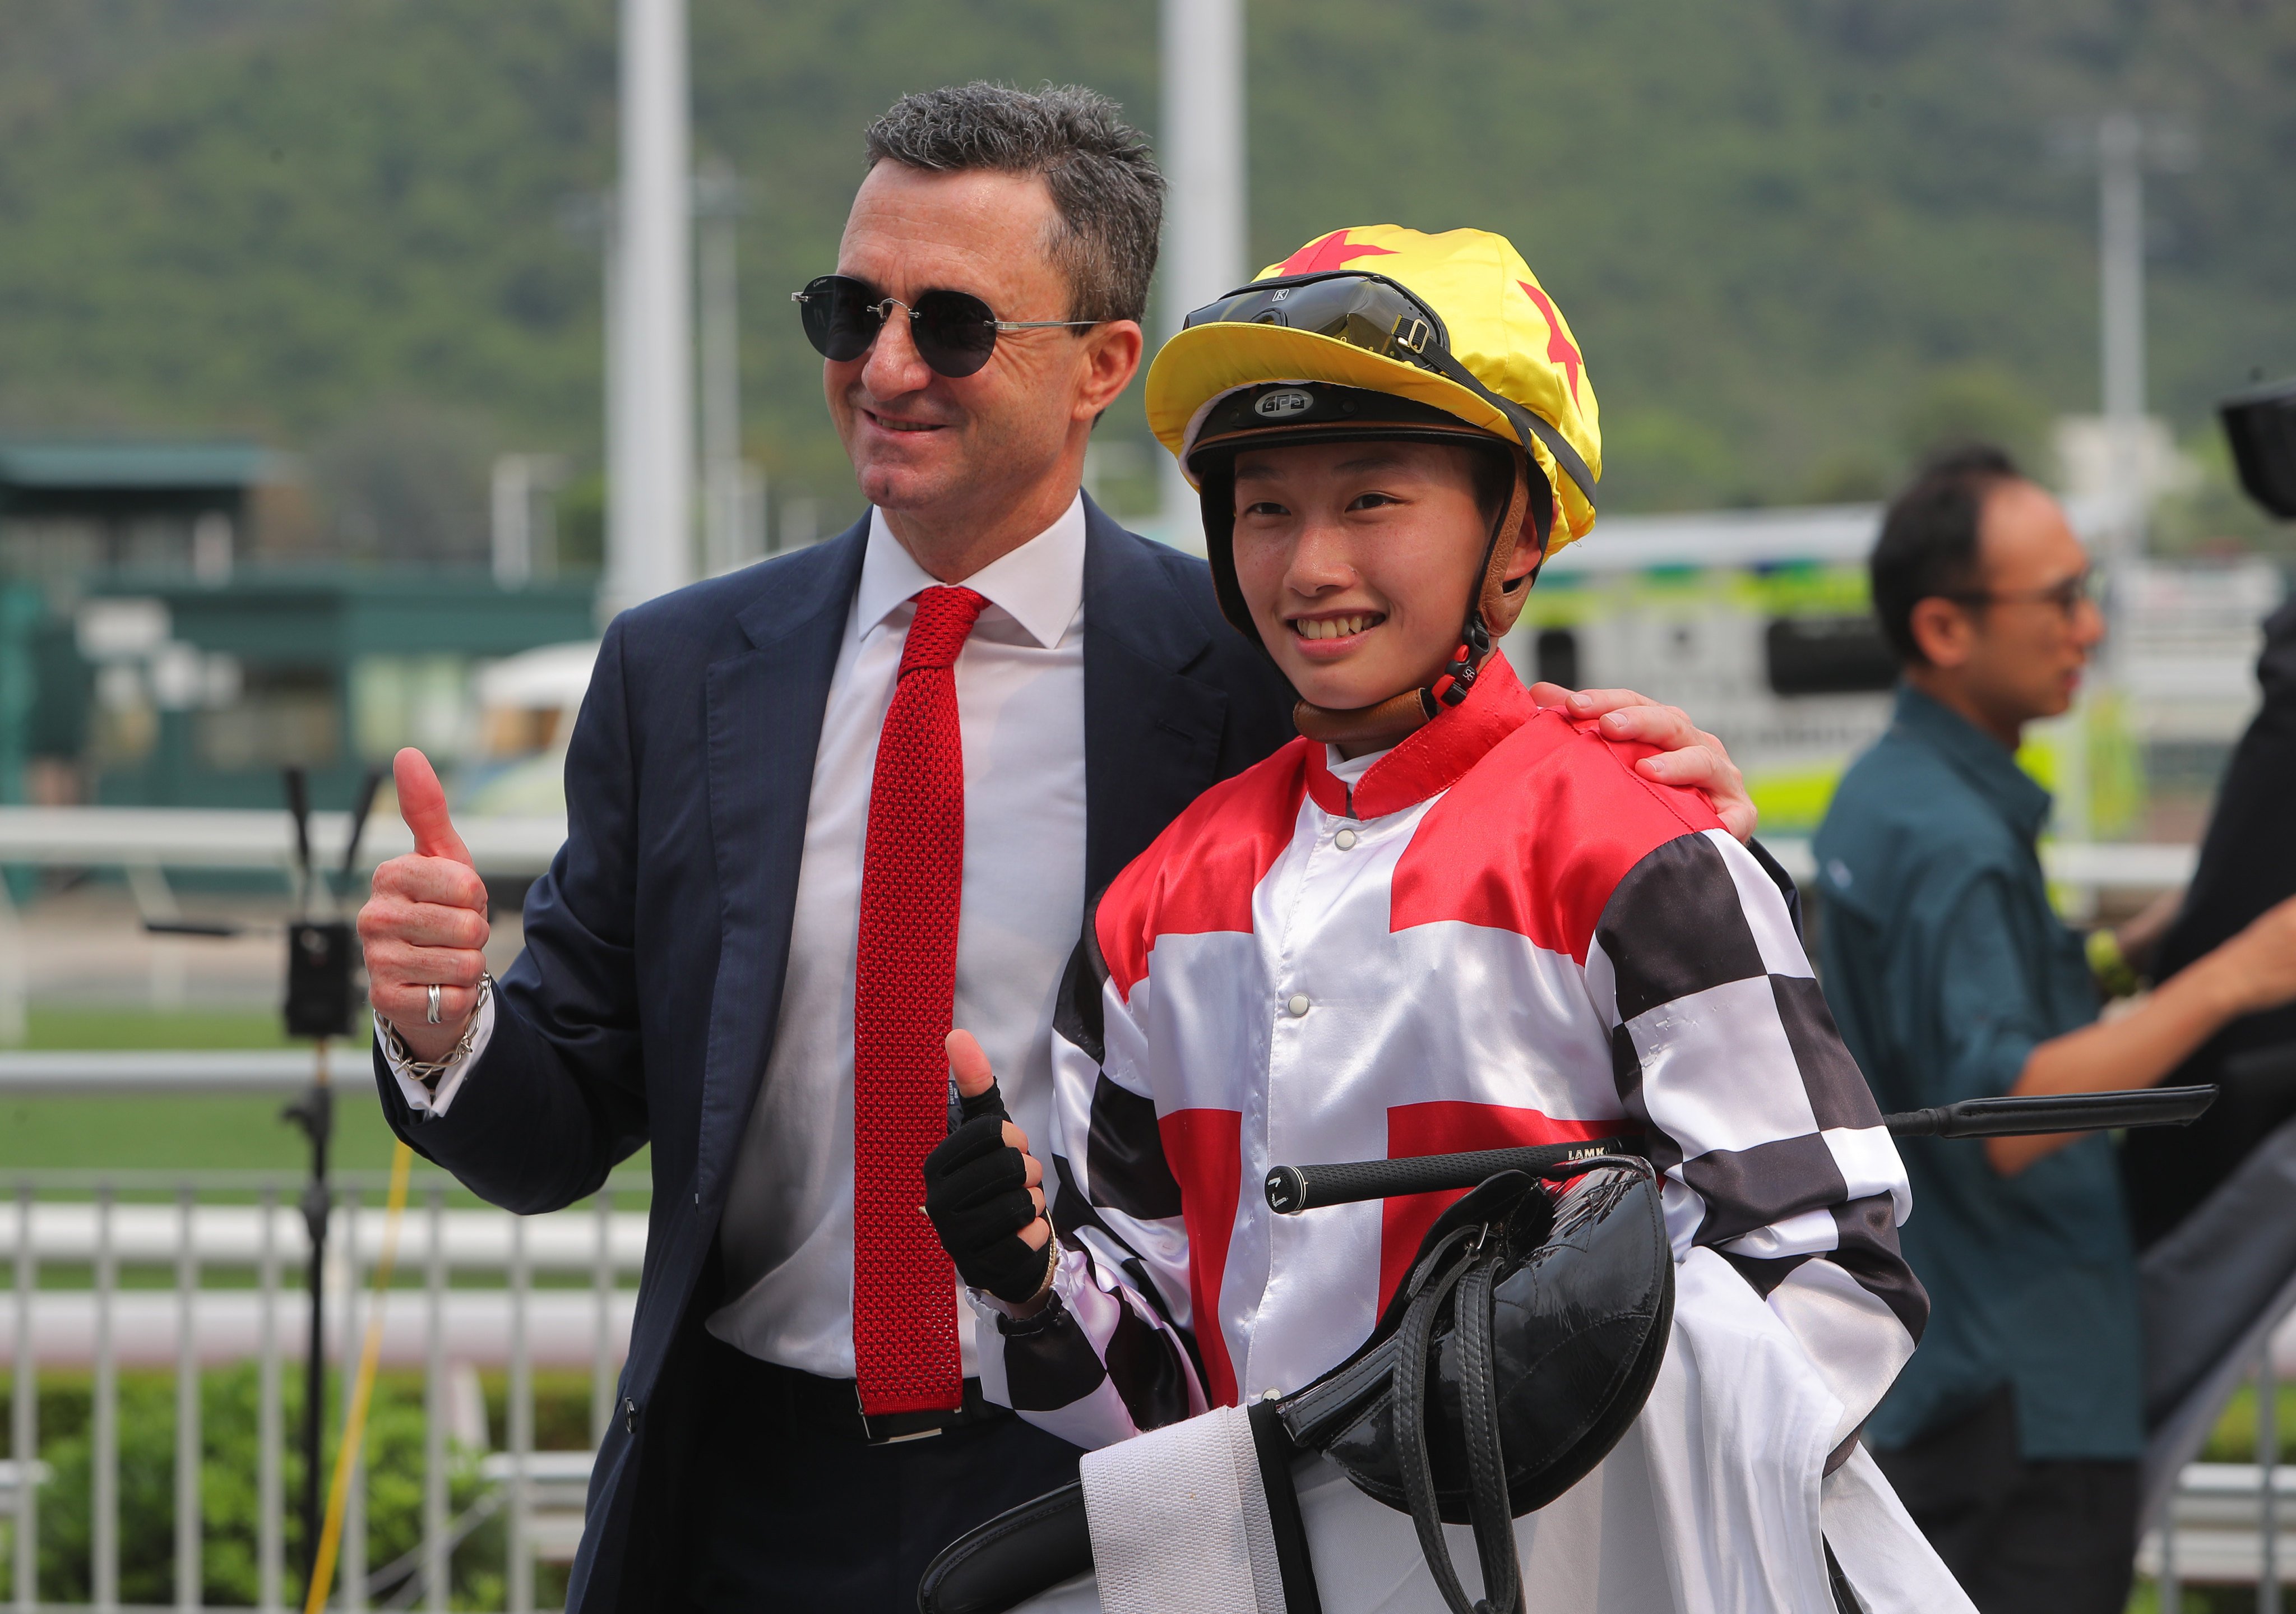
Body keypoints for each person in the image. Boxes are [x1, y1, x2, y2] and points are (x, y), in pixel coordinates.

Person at [352, 88, 1757, 1613]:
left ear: (1103, 365)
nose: (885, 367)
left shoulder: (1257, 670)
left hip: (1136, 1475)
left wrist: (1657, 802)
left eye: (951, 325)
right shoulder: (677, 672)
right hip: (746, 1488)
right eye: (850, 312)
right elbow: (561, 1118)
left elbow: (1478, 823)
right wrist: (449, 1031)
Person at [924, 224, 1952, 1612]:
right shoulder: (1153, 907)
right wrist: (1032, 1282)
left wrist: (1529, 1409)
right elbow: (1163, 1401)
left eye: (1372, 502)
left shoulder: (1639, 847)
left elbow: (1833, 1276)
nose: (1307, 567)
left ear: (1515, 533)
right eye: (1267, 508)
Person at [1812, 445, 2296, 1613]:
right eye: (2062, 600)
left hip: (1967, 1377)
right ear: (1942, 629)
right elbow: (2012, 1115)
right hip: (2015, 1404)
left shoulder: (1897, 797)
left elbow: (1961, 1017)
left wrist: (2151, 942)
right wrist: (2237, 972)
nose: (2087, 630)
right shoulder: (1948, 838)